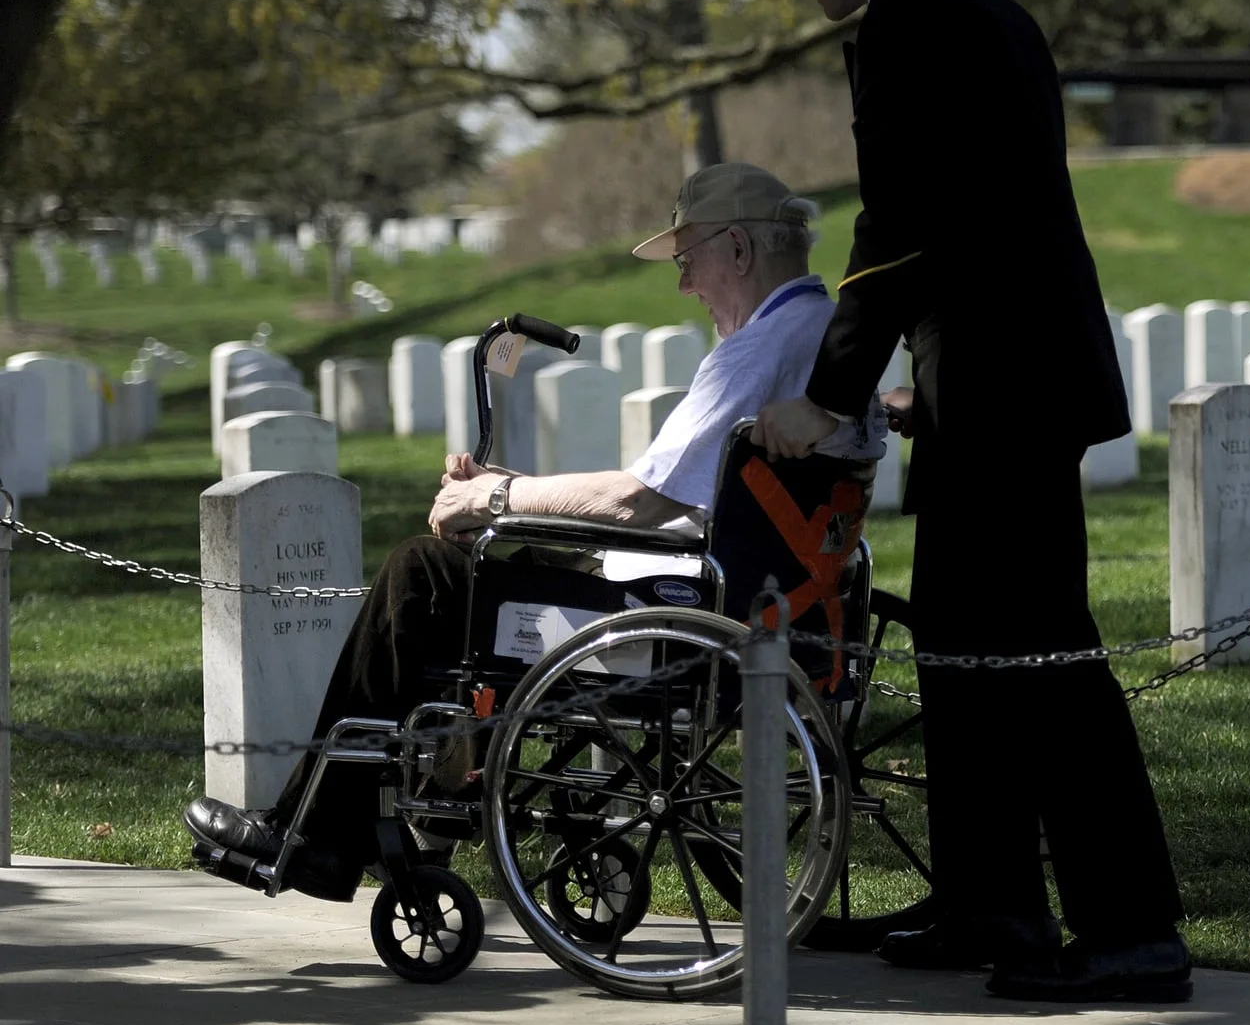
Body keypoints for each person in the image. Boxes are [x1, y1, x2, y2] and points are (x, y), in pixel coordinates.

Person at [733, 0, 1190, 1003]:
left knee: (1040, 657)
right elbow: (979, 228)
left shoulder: (909, 22)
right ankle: (990, 898)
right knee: (961, 648)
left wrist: (823, 397)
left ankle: (1131, 927)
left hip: (1006, 392)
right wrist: (919, 389)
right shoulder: (978, 6)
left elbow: (899, 235)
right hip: (996, 384)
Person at [183, 163, 880, 899]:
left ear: (737, 249)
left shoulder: (756, 350)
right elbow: (682, 496)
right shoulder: (827, 336)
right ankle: (436, 794)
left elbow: (637, 502)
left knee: (423, 576)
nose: (685, 285)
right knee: (491, 564)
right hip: (751, 599)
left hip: (675, 617)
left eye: (688, 260)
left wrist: (497, 497)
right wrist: (509, 499)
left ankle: (321, 834)